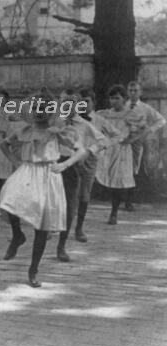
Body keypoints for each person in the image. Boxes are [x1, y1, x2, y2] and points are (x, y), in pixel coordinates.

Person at [0, 92, 87, 287]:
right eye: (36, 109)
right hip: (28, 171)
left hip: (48, 174)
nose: (39, 113)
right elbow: (3, 144)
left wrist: (65, 165)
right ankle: (17, 235)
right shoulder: (25, 130)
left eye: (44, 110)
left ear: (51, 112)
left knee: (42, 223)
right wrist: (15, 162)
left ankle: (33, 269)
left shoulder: (57, 131)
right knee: (8, 198)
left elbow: (81, 151)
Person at [53, 89, 107, 262]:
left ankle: (61, 246)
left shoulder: (84, 124)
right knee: (50, 203)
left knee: (70, 206)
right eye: (64, 103)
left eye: (71, 103)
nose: (67, 106)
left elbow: (103, 141)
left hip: (72, 165)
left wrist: (88, 152)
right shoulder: (55, 121)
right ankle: (47, 230)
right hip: (52, 165)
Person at [95, 85, 146, 225]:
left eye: (117, 98)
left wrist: (131, 139)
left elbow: (143, 128)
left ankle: (114, 213)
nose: (114, 101)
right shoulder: (105, 114)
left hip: (122, 151)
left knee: (117, 182)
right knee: (106, 180)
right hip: (107, 150)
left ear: (124, 99)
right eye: (111, 98)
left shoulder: (130, 114)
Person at [76, 88, 120, 242]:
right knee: (64, 192)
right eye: (79, 101)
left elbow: (116, 135)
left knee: (84, 193)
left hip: (90, 159)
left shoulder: (100, 120)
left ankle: (79, 228)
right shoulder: (70, 118)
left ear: (93, 103)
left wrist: (102, 146)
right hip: (70, 159)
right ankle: (54, 226)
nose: (83, 104)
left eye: (86, 101)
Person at [126, 81, 166, 211]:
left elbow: (161, 120)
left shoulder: (145, 108)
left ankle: (129, 200)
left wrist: (149, 130)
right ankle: (120, 198)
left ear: (140, 92)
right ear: (127, 92)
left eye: (135, 91)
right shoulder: (123, 106)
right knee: (122, 168)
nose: (132, 93)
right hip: (123, 141)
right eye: (130, 90)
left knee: (134, 168)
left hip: (137, 141)